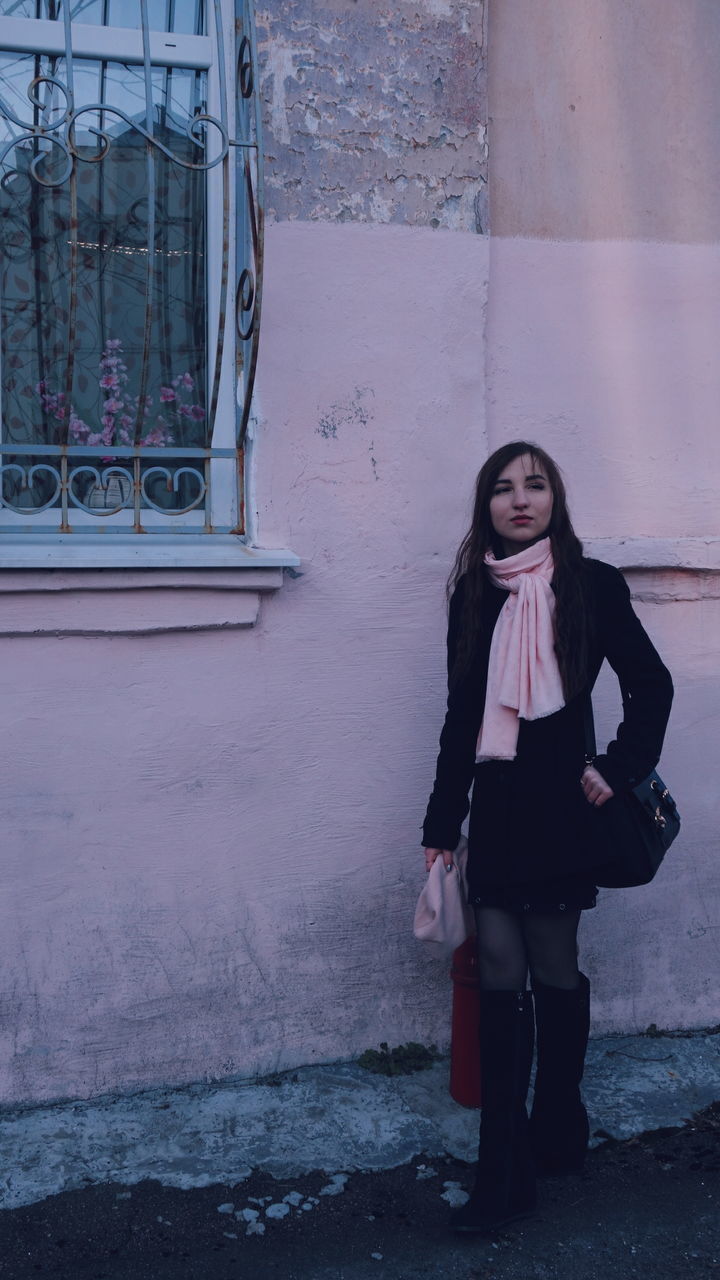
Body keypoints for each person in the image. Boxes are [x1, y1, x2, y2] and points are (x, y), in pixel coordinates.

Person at [422, 441, 673, 1235]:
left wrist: (620, 765)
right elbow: (464, 717)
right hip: (496, 809)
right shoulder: (476, 593)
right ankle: (504, 1171)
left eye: (535, 485)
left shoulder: (592, 586)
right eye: (502, 488)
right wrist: (440, 825)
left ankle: (559, 1121)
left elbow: (651, 684)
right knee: (500, 966)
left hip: (566, 810)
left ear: (555, 498)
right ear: (485, 507)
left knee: (554, 964)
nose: (519, 499)